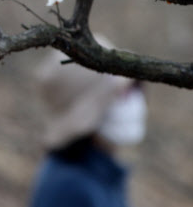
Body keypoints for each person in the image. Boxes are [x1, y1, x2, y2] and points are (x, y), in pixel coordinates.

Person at [28, 41, 147, 207]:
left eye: (133, 88)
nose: (132, 101)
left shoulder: (104, 175)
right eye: (119, 92)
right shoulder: (72, 188)